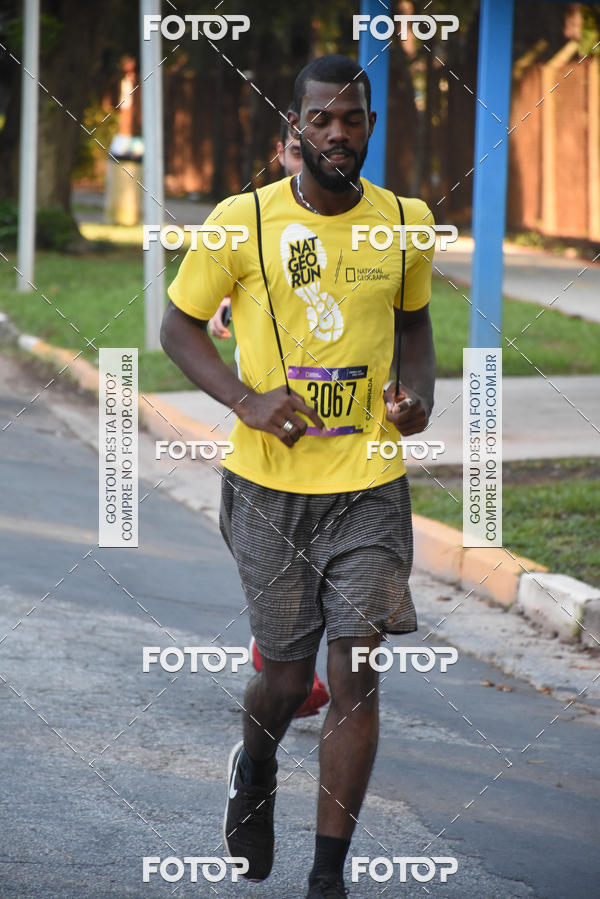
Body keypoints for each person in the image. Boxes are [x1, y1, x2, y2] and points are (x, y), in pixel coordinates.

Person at [161, 54, 435, 899]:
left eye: (352, 119)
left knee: (355, 667)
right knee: (285, 676)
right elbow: (177, 328)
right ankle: (255, 763)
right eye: (322, 120)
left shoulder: (405, 221)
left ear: (370, 128)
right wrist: (245, 399)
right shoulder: (239, 222)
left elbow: (415, 327)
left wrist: (417, 396)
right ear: (295, 131)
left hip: (368, 482)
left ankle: (327, 878)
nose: (338, 133)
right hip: (269, 485)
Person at [208, 112, 330, 720]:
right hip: (267, 444)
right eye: (290, 151)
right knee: (286, 574)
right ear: (283, 155)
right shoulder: (257, 221)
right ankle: (279, 651)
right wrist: (220, 311)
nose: (298, 159)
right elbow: (222, 290)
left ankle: (282, 650)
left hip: (339, 443)